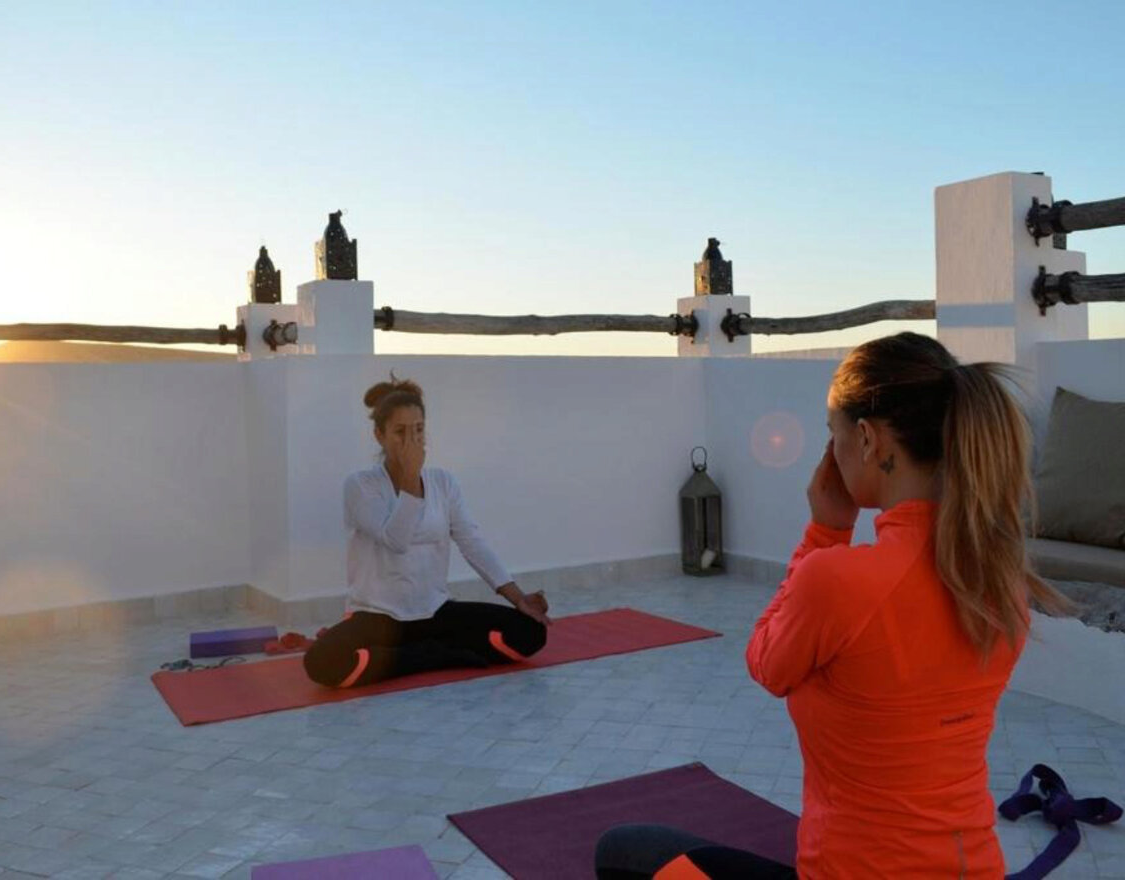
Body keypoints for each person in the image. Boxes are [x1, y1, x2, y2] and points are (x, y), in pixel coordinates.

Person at [596, 332, 1068, 879]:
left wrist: (826, 529)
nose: (833, 454)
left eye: (833, 436)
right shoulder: (997, 576)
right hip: (974, 868)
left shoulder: (840, 578)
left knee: (625, 852)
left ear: (868, 440)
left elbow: (766, 662)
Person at [303, 375, 550, 688]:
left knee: (530, 633)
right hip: (378, 617)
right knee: (321, 663)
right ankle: (439, 655)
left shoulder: (444, 483)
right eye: (400, 432)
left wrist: (518, 597)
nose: (411, 441)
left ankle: (410, 656)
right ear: (379, 435)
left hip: (435, 612)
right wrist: (409, 477)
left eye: (418, 430)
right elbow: (396, 540)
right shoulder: (360, 486)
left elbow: (472, 542)